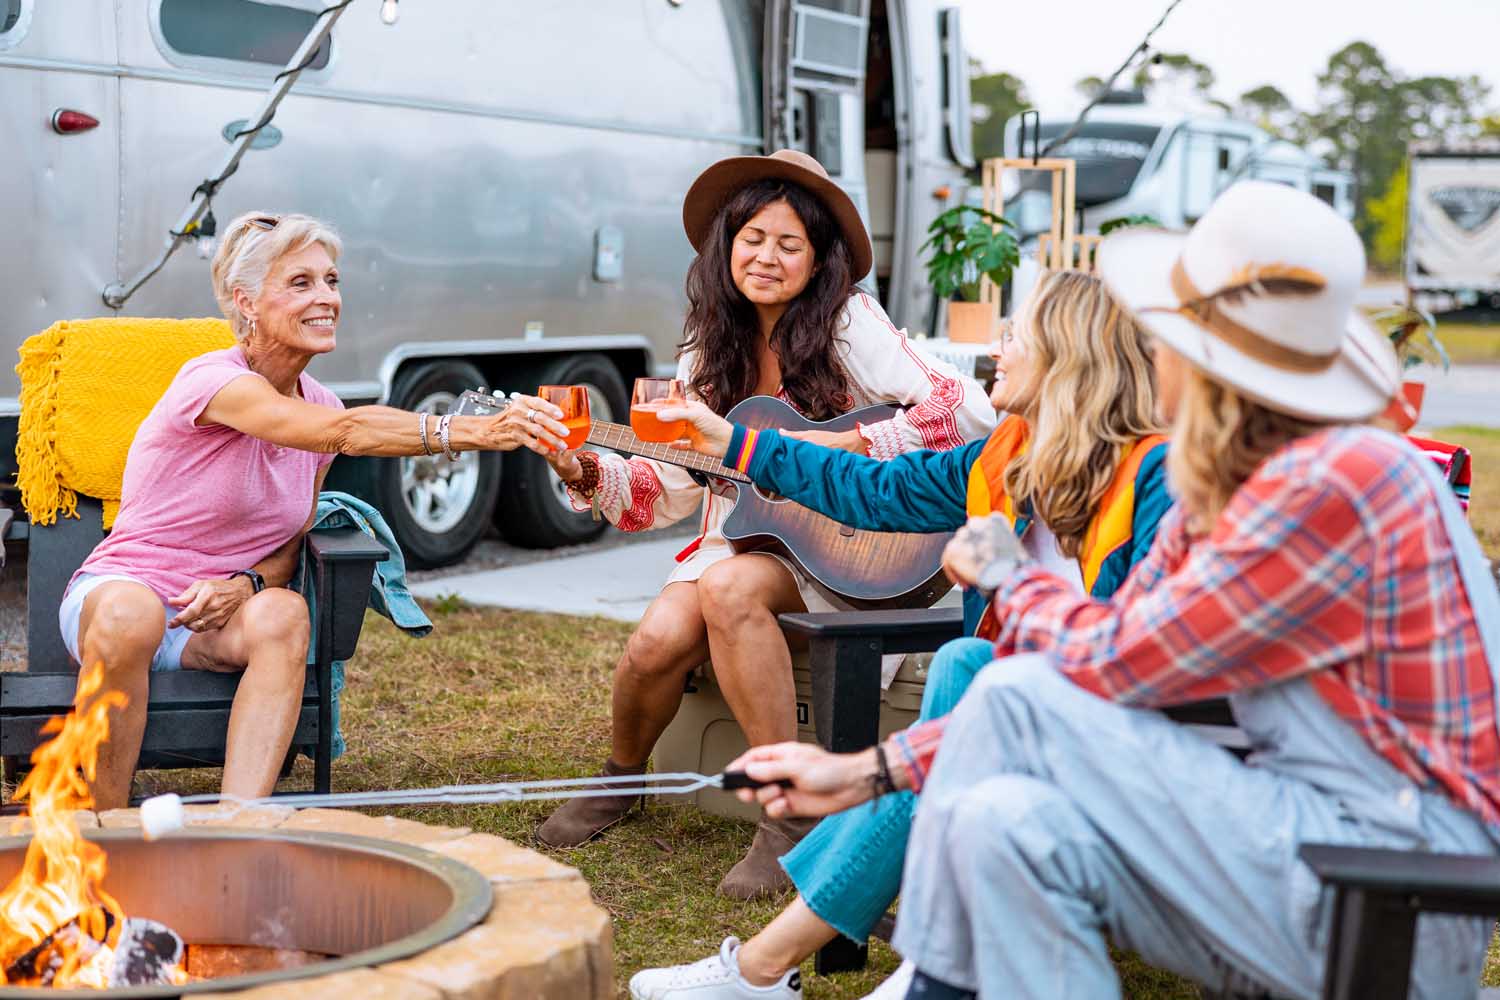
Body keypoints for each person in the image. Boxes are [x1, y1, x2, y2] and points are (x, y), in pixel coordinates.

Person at [716, 181, 1500, 1000]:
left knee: (1005, 685)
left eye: (1160, 332)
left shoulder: (1330, 483)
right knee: (996, 823)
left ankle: (825, 972)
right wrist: (875, 771)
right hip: (1280, 830)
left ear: (1200, 359)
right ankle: (906, 978)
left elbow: (1122, 668)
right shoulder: (1226, 482)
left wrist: (1001, 592)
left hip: (1392, 885)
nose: (1145, 347)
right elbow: (1085, 673)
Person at [628, 268, 1172, 999]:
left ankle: (778, 970)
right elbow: (870, 491)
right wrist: (735, 443)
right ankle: (865, 967)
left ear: (1070, 354)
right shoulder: (1005, 456)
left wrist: (1007, 577)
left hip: (1117, 741)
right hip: (1014, 726)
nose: (997, 350)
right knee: (966, 665)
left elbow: (1151, 651)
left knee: (970, 672)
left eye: (1017, 334)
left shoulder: (1158, 477)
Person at [535, 150, 993, 899]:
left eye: (790, 244)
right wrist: (581, 468)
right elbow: (677, 482)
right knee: (655, 639)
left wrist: (847, 446)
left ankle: (788, 818)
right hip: (748, 534)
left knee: (727, 592)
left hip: (850, 539)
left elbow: (967, 408)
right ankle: (621, 780)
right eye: (753, 237)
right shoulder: (706, 341)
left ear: (818, 262)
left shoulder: (850, 322)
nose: (767, 257)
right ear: (727, 243)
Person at [64, 211, 572, 811]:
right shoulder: (214, 381)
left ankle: (238, 828)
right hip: (121, 599)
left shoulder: (321, 404)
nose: (326, 297)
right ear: (245, 301)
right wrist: (474, 431)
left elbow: (288, 542)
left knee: (282, 613)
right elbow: (347, 431)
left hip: (211, 618)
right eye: (300, 283)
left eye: (331, 280)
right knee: (131, 613)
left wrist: (243, 584)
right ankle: (104, 825)